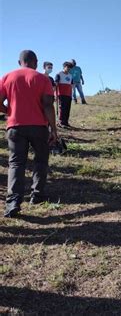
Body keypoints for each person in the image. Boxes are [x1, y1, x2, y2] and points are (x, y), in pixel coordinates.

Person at [0, 50, 57, 217]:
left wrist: (8, 111)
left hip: (15, 126)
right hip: (39, 126)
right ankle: (38, 194)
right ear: (36, 62)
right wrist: (53, 129)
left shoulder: (8, 77)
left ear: (20, 62)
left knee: (16, 163)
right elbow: (48, 105)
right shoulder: (42, 79)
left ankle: (13, 202)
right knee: (40, 160)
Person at [55, 62, 74, 127]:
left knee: (67, 109)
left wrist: (72, 95)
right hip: (61, 94)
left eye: (70, 68)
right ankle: (61, 122)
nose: (69, 69)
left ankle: (66, 122)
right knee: (62, 108)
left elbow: (71, 85)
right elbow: (56, 84)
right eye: (67, 67)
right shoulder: (59, 74)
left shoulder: (70, 75)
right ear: (64, 67)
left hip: (68, 94)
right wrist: (55, 94)